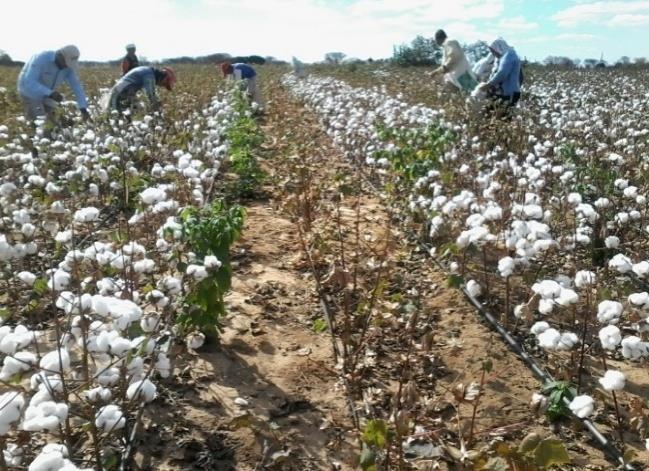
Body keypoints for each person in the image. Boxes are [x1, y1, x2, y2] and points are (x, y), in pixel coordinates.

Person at [17, 45, 90, 123]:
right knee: (40, 121)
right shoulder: (41, 59)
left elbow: (76, 86)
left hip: (48, 94)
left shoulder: (68, 67)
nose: (66, 66)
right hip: (30, 93)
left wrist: (83, 108)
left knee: (55, 122)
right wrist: (50, 93)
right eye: (65, 63)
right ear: (59, 56)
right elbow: (29, 81)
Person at [106, 66, 176, 113]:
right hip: (118, 94)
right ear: (164, 77)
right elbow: (151, 96)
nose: (162, 86)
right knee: (114, 116)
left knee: (133, 111)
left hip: (121, 92)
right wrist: (158, 110)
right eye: (164, 84)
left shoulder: (148, 71)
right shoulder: (149, 76)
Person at [476, 38, 521, 109]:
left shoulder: (509, 55)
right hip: (500, 93)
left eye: (494, 51)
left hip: (508, 93)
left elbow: (502, 73)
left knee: (503, 115)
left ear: (499, 48)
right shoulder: (501, 57)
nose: (493, 54)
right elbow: (494, 72)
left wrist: (489, 84)